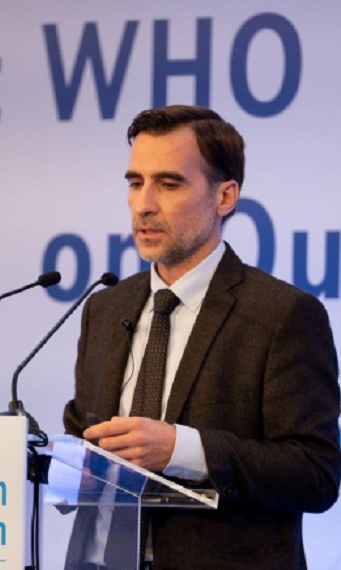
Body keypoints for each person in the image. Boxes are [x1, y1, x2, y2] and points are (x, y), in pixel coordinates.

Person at [62, 105, 341, 570]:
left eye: (169, 184)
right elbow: (81, 435)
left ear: (225, 196)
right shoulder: (104, 308)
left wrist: (182, 450)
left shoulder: (283, 315)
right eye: (135, 182)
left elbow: (316, 474)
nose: (144, 204)